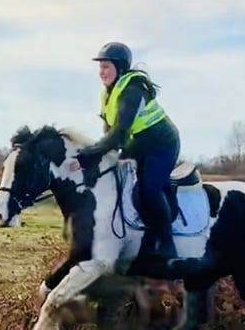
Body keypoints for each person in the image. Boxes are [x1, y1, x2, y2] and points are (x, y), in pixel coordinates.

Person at [76, 41, 181, 259]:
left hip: (162, 144)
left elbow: (119, 134)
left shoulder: (132, 90)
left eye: (106, 66)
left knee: (149, 188)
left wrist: (89, 156)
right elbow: (109, 132)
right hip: (140, 143)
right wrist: (100, 156)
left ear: (120, 67)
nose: (102, 71)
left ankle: (167, 244)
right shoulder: (107, 94)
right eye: (100, 67)